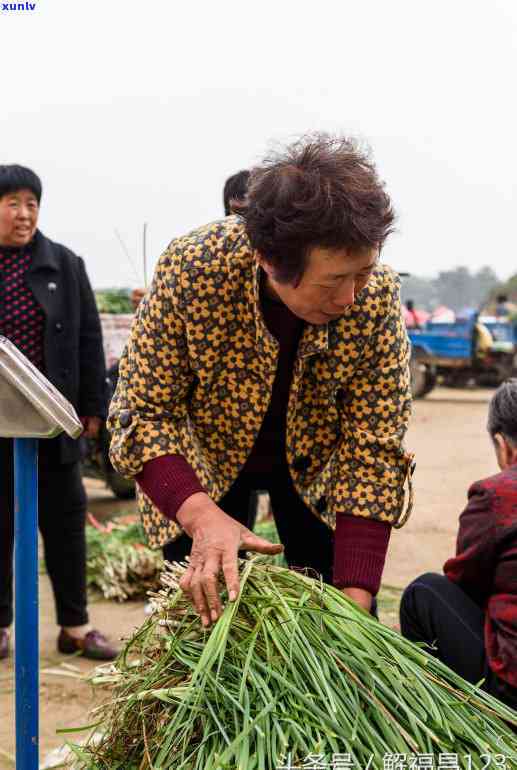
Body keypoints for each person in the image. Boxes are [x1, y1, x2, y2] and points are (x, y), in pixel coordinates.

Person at [108, 134, 415, 628]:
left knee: (334, 623)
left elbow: (373, 445)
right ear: (272, 262)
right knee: (202, 622)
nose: (350, 297)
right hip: (203, 465)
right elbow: (141, 414)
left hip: (316, 471)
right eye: (332, 281)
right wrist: (201, 519)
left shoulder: (373, 296)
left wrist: (355, 602)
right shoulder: (195, 269)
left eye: (362, 272)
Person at [0, 165, 117, 661]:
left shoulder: (64, 265)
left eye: (32, 203)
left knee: (66, 523)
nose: (24, 214)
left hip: (53, 419)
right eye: (12, 203)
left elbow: (90, 339)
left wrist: (92, 409)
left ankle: (75, 626)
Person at [400, 379, 517, 710]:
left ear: (502, 445)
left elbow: (466, 583)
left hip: (510, 686)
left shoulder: (497, 494)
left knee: (422, 593)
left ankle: (441, 720)